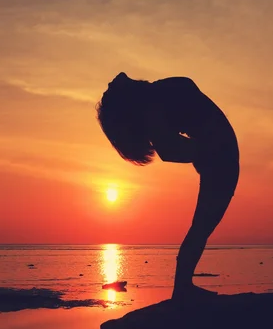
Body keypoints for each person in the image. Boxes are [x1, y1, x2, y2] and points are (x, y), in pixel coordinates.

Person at [96, 72, 239, 300]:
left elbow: (171, 149)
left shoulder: (158, 99)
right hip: (221, 158)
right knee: (200, 228)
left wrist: (204, 149)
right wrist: (205, 149)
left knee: (200, 227)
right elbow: (170, 150)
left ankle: (183, 287)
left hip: (221, 157)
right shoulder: (157, 103)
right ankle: (182, 288)